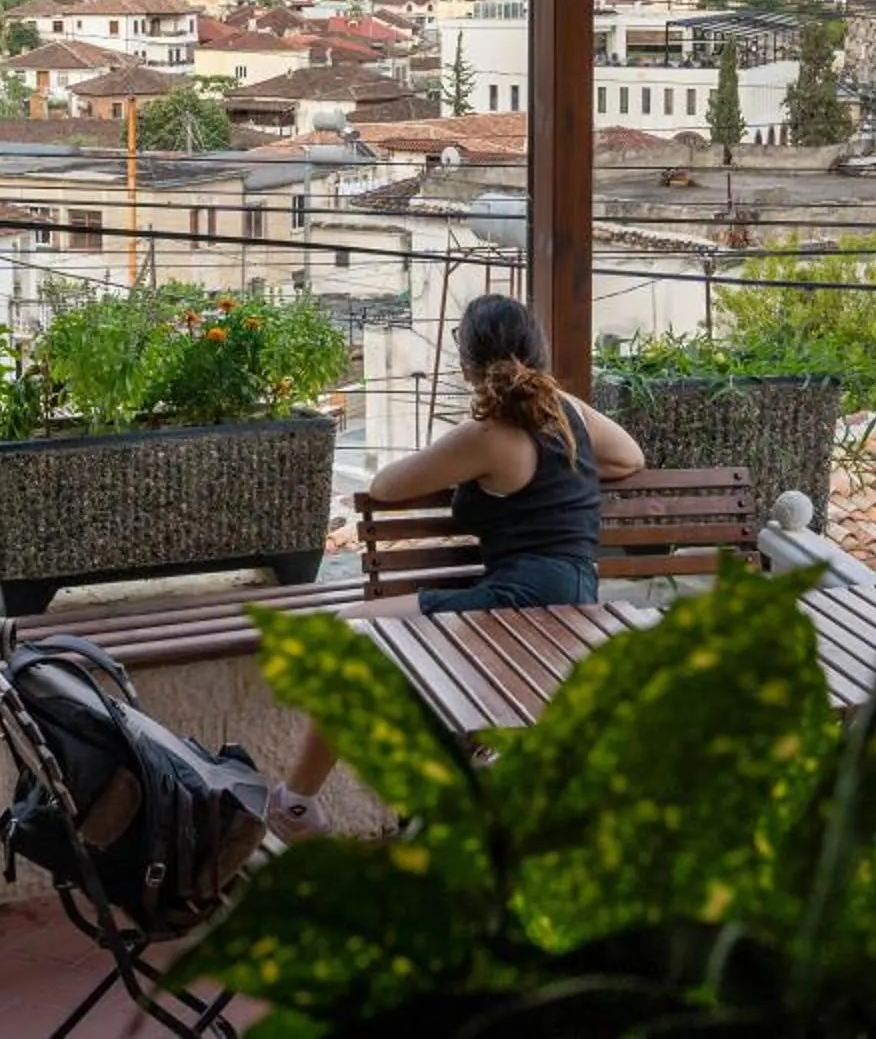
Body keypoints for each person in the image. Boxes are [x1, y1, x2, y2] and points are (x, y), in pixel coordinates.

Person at [267, 294, 645, 836]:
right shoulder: (571, 416)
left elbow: (384, 485)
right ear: (535, 351)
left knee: (348, 635)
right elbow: (630, 457)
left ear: (469, 364)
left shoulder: (489, 437)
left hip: (520, 606)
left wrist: (467, 472)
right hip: (576, 599)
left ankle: (294, 803)